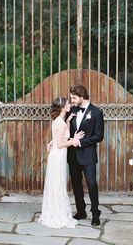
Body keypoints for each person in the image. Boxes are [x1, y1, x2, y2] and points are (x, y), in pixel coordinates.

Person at [39, 97, 85, 229]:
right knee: (58, 184)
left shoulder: (59, 121)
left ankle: (55, 210)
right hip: (58, 156)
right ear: (62, 107)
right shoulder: (60, 123)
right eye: (67, 104)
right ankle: (57, 214)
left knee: (57, 183)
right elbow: (60, 144)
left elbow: (60, 137)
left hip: (57, 155)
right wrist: (74, 140)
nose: (69, 104)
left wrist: (69, 122)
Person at [67, 84, 104, 226]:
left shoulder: (96, 112)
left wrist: (80, 142)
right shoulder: (72, 110)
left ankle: (95, 213)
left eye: (74, 98)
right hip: (73, 156)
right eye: (71, 98)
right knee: (76, 184)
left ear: (82, 97)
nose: (72, 101)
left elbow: (99, 136)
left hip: (88, 155)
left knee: (91, 183)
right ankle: (81, 211)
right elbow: (65, 130)